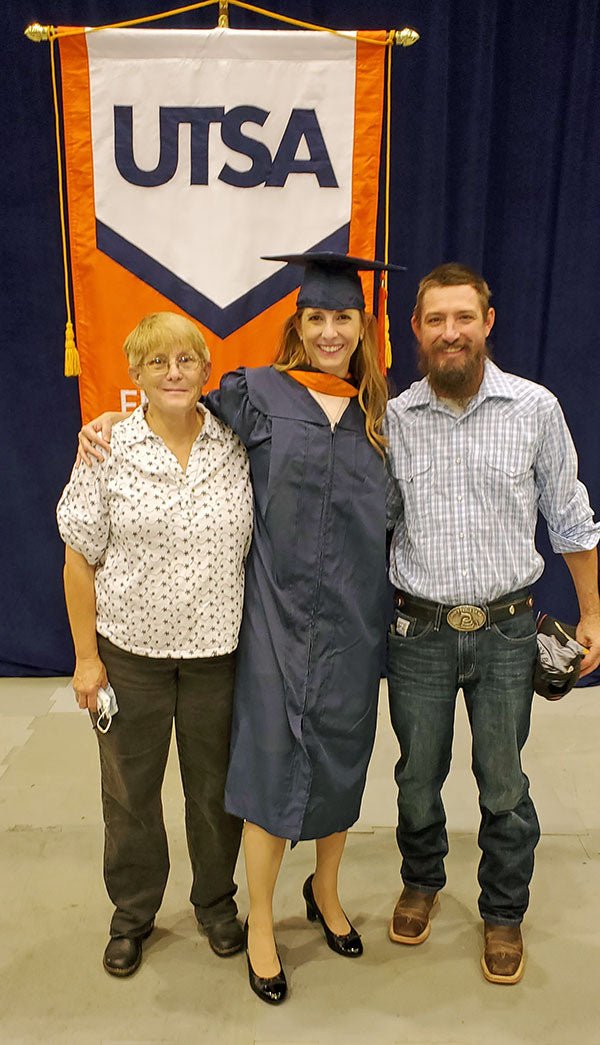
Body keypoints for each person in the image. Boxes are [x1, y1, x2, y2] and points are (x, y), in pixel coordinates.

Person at [78, 252, 397, 1004]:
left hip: (353, 628)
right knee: (265, 770)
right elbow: (171, 407)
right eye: (315, 317)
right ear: (298, 324)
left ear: (362, 327)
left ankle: (324, 892)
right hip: (273, 626)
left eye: (341, 317)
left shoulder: (383, 416)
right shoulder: (255, 394)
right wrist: (108, 424)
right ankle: (258, 920)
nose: (327, 330)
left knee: (343, 762)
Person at [385, 262, 600, 985]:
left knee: (503, 781)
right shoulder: (391, 420)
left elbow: (570, 517)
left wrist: (593, 611)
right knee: (417, 777)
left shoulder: (535, 409)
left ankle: (503, 911)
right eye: (436, 319)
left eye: (463, 317)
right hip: (418, 634)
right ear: (415, 329)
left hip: (509, 632)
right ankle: (422, 877)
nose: (451, 332)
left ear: (488, 322)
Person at [57, 312, 253, 977]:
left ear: (205, 369)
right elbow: (78, 558)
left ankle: (216, 903)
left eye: (187, 360)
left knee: (216, 790)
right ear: (135, 373)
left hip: (217, 659)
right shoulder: (106, 449)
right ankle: (133, 914)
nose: (174, 373)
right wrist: (87, 659)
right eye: (158, 362)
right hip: (130, 658)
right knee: (130, 794)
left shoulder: (237, 442)